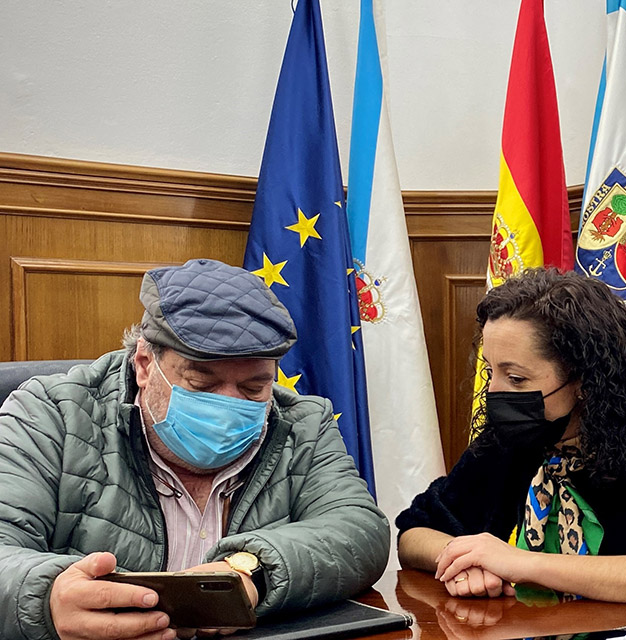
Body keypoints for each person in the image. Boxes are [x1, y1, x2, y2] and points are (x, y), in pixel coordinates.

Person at [0, 258, 390, 640]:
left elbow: (359, 530)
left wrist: (250, 570)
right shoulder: (51, 414)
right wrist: (47, 599)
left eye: (253, 388)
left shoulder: (302, 423)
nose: (228, 406)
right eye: (202, 384)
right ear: (144, 364)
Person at [396, 268, 626, 612]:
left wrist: (524, 564)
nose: (494, 394)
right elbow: (415, 532)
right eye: (492, 372)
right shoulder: (511, 437)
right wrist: (465, 559)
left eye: (516, 379)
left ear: (584, 380)